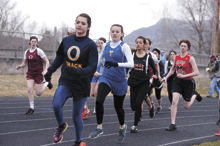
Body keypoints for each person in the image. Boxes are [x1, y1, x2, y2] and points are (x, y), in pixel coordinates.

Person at [44, 13, 98, 146]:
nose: (79, 25)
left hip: (82, 84)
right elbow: (59, 58)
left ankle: (78, 142)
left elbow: (92, 68)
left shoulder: (91, 45)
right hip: (66, 80)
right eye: (77, 22)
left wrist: (78, 71)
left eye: (83, 23)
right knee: (56, 105)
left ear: (88, 27)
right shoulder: (67, 40)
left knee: (76, 116)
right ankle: (61, 126)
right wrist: (49, 71)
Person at [89, 24, 134, 142]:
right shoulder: (105, 45)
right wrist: (95, 69)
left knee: (118, 107)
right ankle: (99, 127)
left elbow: (131, 64)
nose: (114, 33)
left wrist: (117, 64)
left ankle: (122, 127)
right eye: (112, 31)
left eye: (117, 31)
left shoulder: (124, 46)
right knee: (99, 100)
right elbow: (100, 59)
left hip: (119, 81)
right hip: (106, 77)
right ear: (110, 33)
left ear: (122, 34)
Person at [162, 39, 202, 131]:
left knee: (186, 106)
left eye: (185, 46)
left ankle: (194, 95)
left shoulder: (190, 58)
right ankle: (172, 124)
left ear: (188, 48)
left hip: (188, 82)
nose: (183, 47)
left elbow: (196, 72)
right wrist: (166, 77)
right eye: (181, 45)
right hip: (177, 81)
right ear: (179, 46)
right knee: (174, 101)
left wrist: (184, 75)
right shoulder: (176, 57)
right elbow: (172, 70)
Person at [128, 36, 158, 133]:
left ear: (144, 44)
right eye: (136, 42)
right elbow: (126, 66)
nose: (138, 44)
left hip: (144, 83)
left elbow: (155, 69)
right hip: (133, 83)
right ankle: (149, 104)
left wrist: (156, 75)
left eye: (140, 43)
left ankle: (135, 125)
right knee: (133, 106)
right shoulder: (131, 55)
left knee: (137, 104)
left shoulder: (148, 57)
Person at [16, 36, 52, 115]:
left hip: (39, 74)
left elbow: (47, 61)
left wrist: (46, 70)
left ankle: (47, 83)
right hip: (30, 73)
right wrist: (20, 66)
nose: (34, 43)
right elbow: (24, 63)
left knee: (38, 93)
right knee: (29, 89)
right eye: (32, 41)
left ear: (36, 43)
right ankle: (31, 108)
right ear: (30, 42)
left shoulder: (39, 51)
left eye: (35, 41)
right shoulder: (26, 52)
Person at [82, 37, 106, 119]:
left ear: (104, 44)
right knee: (92, 93)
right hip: (94, 74)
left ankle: (97, 108)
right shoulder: (94, 52)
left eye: (101, 43)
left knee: (96, 92)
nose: (100, 44)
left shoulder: (106, 53)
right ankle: (88, 110)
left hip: (102, 75)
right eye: (98, 42)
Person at [152, 48, 165, 113]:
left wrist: (160, 76)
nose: (154, 54)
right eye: (153, 53)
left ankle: (159, 106)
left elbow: (163, 71)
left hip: (158, 80)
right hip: (151, 79)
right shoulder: (149, 61)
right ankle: (151, 103)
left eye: (156, 53)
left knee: (158, 94)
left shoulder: (160, 62)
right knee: (148, 92)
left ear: (158, 55)